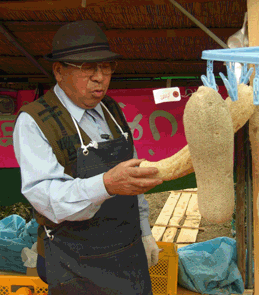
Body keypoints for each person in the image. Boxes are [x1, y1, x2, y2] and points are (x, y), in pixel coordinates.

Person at [13, 20, 163, 294]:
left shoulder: (111, 110)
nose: (100, 77)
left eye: (106, 67)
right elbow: (47, 198)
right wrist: (105, 184)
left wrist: (144, 231)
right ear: (59, 71)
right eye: (88, 68)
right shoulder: (34, 121)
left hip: (127, 252)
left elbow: (133, 178)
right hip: (75, 262)